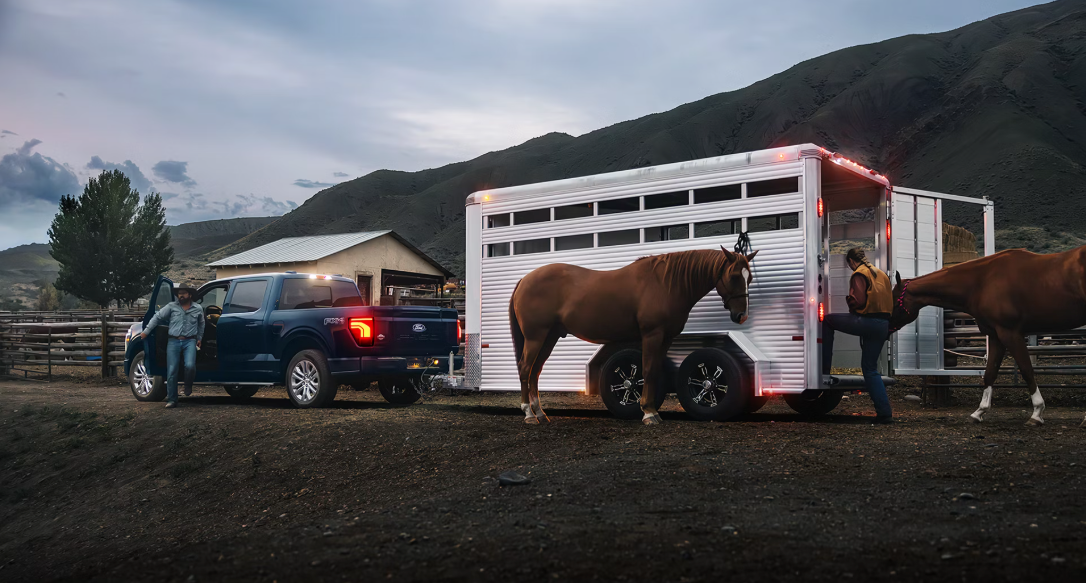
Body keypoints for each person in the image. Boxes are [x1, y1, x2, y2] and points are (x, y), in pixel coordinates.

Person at [823, 248, 894, 423]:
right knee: (870, 369)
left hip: (867, 321)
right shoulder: (880, 273)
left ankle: (823, 370)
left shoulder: (859, 274)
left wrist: (850, 300)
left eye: (849, 264)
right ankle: (884, 414)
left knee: (827, 320)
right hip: (883, 325)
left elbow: (858, 301)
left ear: (851, 261)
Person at [140, 282, 204, 408]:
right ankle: (172, 399)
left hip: (190, 341)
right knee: (172, 370)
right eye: (179, 294)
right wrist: (146, 331)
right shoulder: (171, 307)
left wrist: (199, 338)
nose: (181, 296)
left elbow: (201, 324)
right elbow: (157, 317)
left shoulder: (197, 308)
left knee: (190, 366)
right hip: (173, 341)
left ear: (189, 295)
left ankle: (188, 384)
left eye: (183, 293)